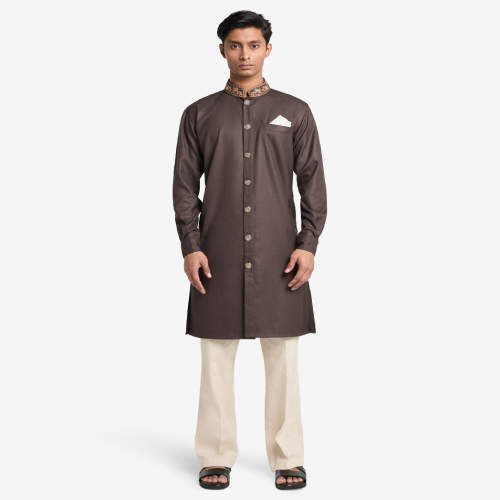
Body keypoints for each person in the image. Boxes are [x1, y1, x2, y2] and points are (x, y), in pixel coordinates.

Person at [172, 10, 327, 490]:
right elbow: (184, 187)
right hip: (215, 254)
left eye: (254, 45)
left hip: (280, 256)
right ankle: (215, 454)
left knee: (283, 361)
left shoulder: (295, 112)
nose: (245, 54)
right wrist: (191, 245)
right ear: (222, 50)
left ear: (268, 49)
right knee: (216, 361)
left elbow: (313, 185)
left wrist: (308, 244)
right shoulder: (198, 114)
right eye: (236, 45)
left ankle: (287, 457)